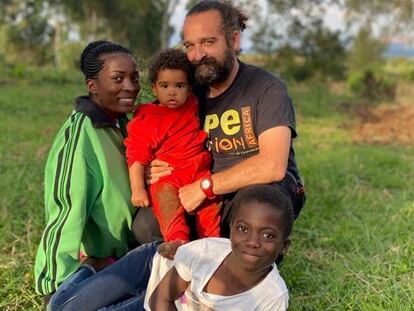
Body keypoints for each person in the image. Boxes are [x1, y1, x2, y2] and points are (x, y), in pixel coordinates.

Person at [136, 0, 305, 241]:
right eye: (189, 45)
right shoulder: (185, 92)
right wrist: (150, 168)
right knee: (146, 224)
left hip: (252, 190)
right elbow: (151, 131)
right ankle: (183, 271)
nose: (197, 55)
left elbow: (273, 165)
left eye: (208, 42)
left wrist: (205, 186)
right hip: (195, 190)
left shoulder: (267, 88)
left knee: (258, 210)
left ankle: (242, 273)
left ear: (234, 40)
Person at [46, 183, 293, 311]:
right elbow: (161, 298)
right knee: (61, 308)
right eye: (243, 229)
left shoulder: (271, 297)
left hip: (173, 299)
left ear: (284, 247)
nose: (252, 241)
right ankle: (88, 268)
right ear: (231, 230)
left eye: (268, 235)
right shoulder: (205, 254)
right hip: (156, 264)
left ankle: (122, 293)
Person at [34, 40, 139, 302]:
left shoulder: (124, 123)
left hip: (133, 247)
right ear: (92, 86)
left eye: (134, 78)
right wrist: (53, 285)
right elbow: (66, 209)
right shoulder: (81, 135)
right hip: (102, 261)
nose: (130, 87)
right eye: (118, 78)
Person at [125, 48, 221, 244]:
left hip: (198, 171)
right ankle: (176, 242)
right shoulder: (148, 119)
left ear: (189, 88)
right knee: (166, 204)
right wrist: (138, 189)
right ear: (153, 88)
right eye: (164, 85)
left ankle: (213, 244)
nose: (172, 92)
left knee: (210, 208)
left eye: (179, 86)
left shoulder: (191, 103)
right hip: (169, 176)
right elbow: (136, 155)